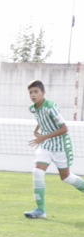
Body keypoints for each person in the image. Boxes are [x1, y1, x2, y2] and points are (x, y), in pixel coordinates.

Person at [24, 80, 84, 218]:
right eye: (31, 92)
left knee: (66, 177)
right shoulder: (33, 108)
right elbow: (41, 120)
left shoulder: (50, 107)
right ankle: (40, 210)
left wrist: (41, 138)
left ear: (43, 93)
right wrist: (37, 131)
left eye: (36, 92)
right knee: (37, 172)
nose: (33, 95)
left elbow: (64, 129)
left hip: (61, 146)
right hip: (46, 146)